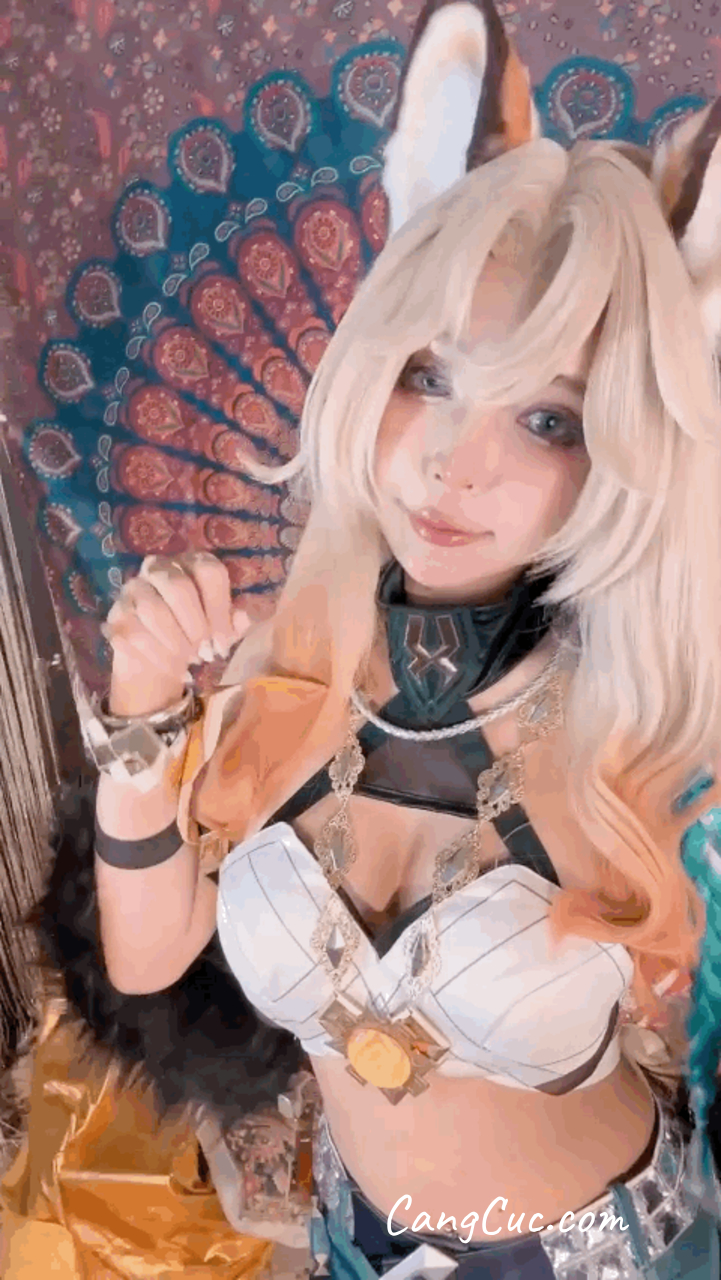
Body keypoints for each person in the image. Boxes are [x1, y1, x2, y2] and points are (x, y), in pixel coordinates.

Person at [23, 0, 721, 1277]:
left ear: (625, 444)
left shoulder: (663, 737)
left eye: (548, 419)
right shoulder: (288, 665)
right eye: (429, 376)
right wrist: (141, 715)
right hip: (351, 1241)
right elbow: (149, 954)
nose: (454, 462)